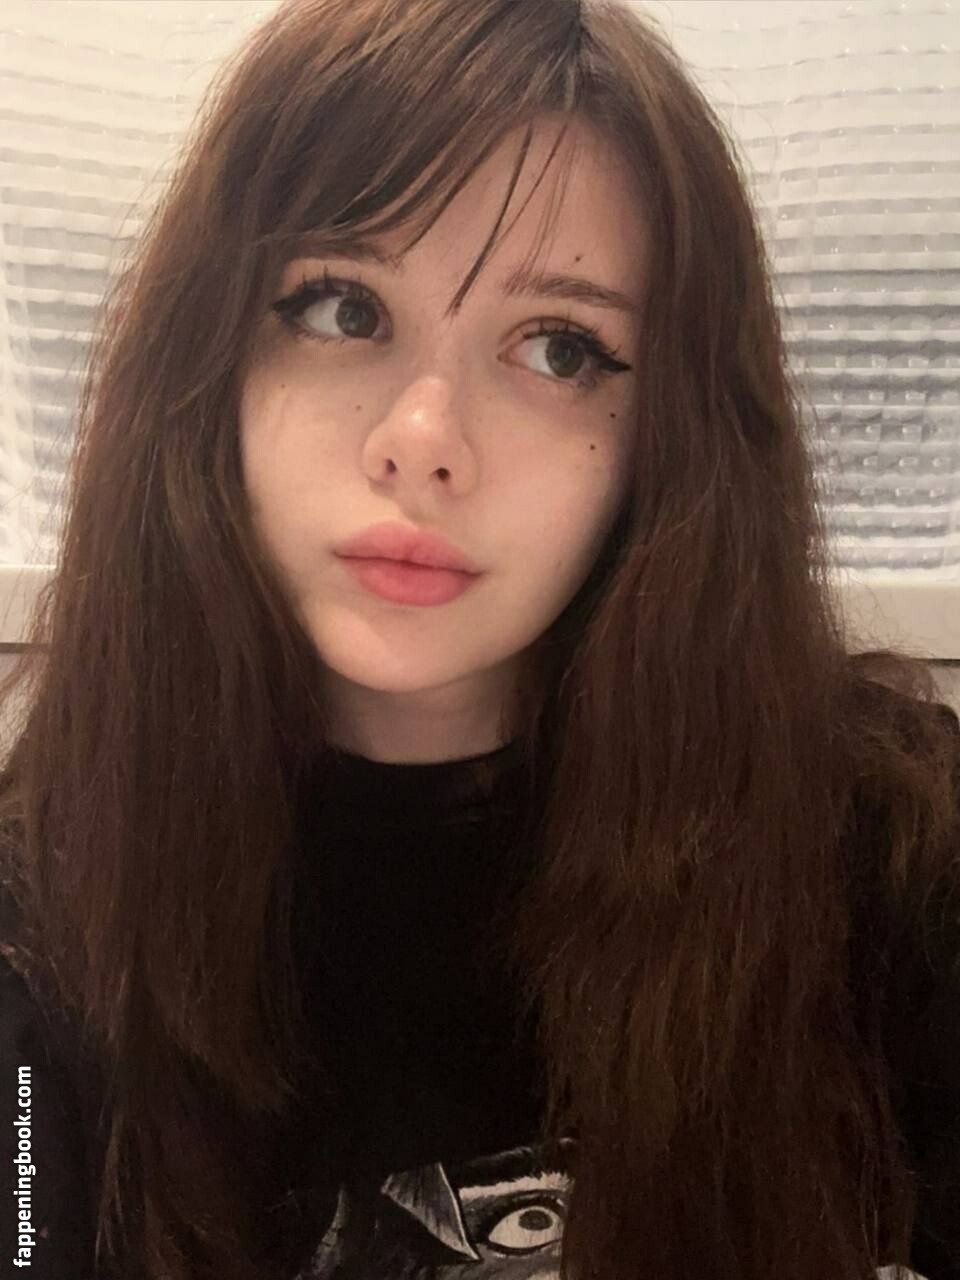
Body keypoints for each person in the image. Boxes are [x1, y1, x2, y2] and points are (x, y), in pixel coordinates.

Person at [0, 0, 957, 1276]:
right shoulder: (52, 895)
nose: (424, 437)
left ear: (669, 438)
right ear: (209, 361)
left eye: (560, 348)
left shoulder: (893, 854)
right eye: (341, 307)